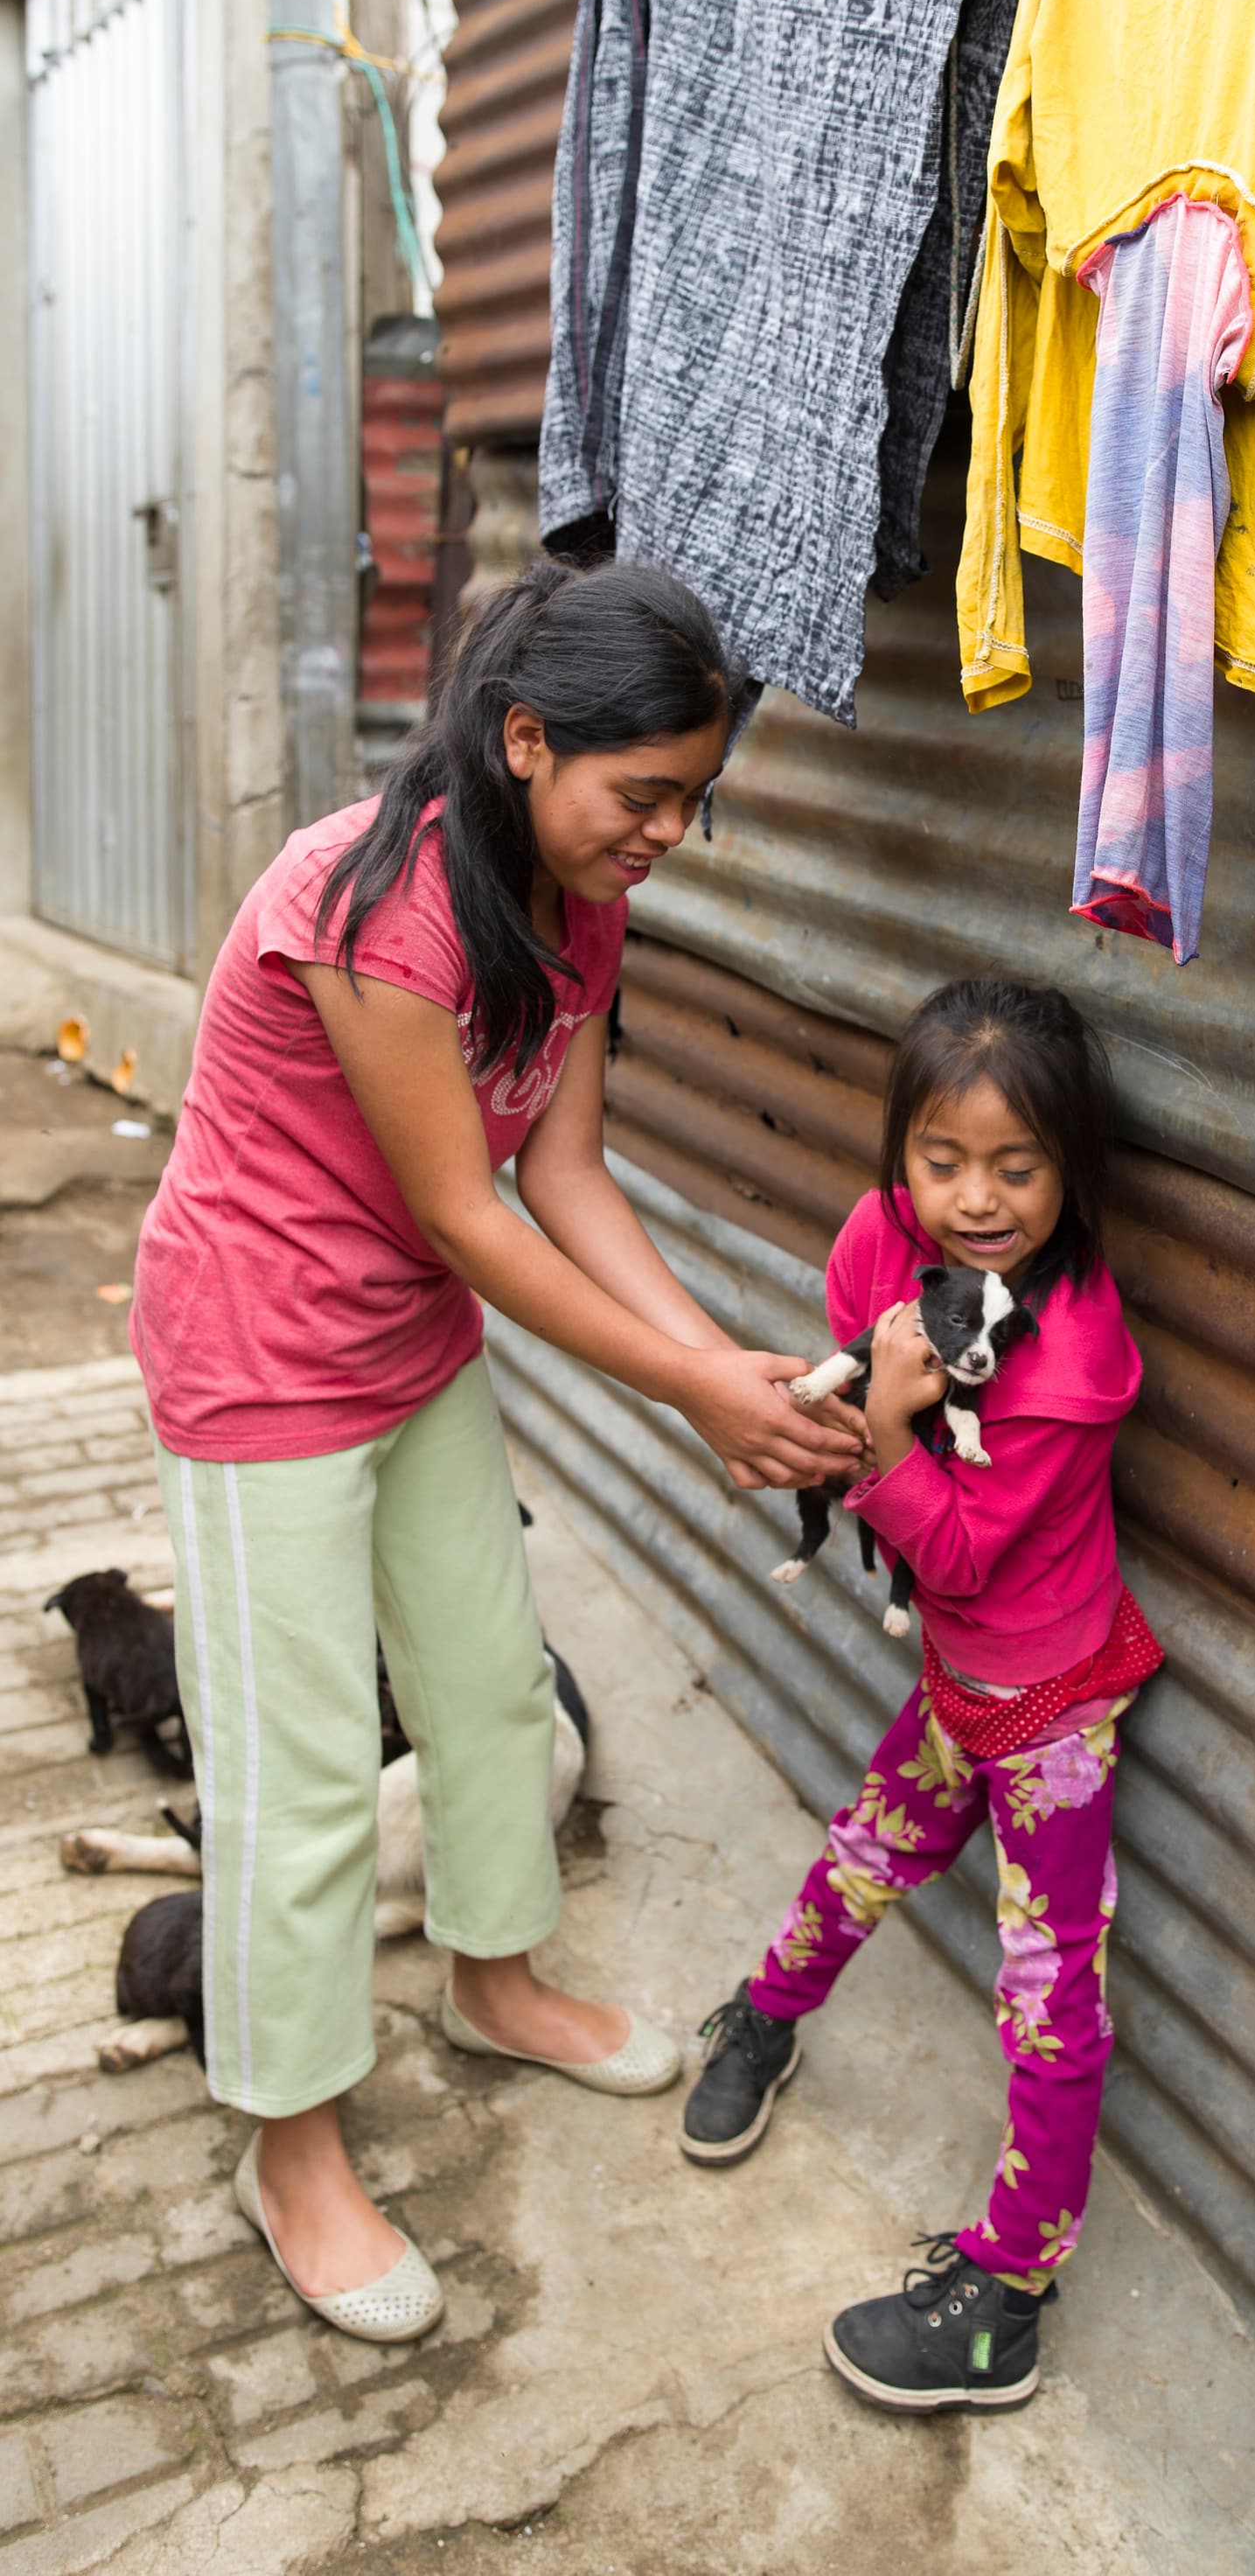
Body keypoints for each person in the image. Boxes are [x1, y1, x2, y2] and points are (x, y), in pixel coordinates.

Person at [130, 561, 863, 2344]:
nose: (669, 831)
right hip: (258, 1356)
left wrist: (721, 1359)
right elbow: (471, 1212)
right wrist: (699, 1395)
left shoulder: (579, 895)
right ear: (524, 740)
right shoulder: (377, 904)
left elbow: (570, 1173)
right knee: (300, 1781)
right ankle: (287, 2144)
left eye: (694, 796)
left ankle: (494, 1981)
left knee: (487, 1688)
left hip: (405, 1340)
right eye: (644, 794)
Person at [678, 979, 1162, 2412]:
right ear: (902, 1156)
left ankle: (1007, 2297)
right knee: (867, 1849)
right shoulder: (878, 1239)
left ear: (1073, 1169)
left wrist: (882, 1423)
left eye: (1018, 1167)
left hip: (1051, 1715)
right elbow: (841, 1375)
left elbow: (949, 1545)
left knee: (1048, 1999)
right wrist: (842, 1417)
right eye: (943, 1161)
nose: (975, 1199)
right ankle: (761, 2020)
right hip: (962, 1677)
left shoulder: (1077, 1364)